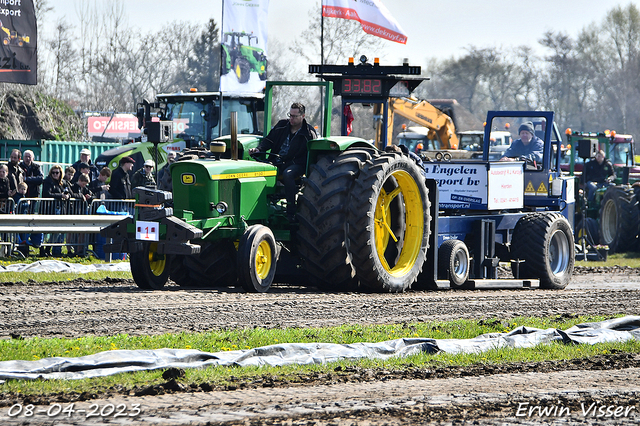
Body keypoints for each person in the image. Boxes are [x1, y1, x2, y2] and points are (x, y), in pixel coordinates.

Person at [248, 102, 317, 221]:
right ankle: (255, 209)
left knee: (288, 174)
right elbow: (269, 140)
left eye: (295, 116)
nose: (291, 118)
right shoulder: (282, 125)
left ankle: (291, 211)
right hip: (277, 160)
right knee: (257, 170)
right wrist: (258, 149)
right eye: (290, 115)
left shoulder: (308, 133)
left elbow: (311, 156)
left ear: (303, 116)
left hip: (297, 164)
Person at [42, 165, 71, 256]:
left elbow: (70, 192)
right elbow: (47, 193)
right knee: (44, 231)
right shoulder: (47, 181)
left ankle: (48, 248)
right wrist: (60, 196)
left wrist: (67, 196)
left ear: (60, 173)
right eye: (53, 172)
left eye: (57, 172)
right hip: (49, 209)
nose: (55, 174)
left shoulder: (63, 183)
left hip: (60, 209)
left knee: (57, 231)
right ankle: (42, 250)